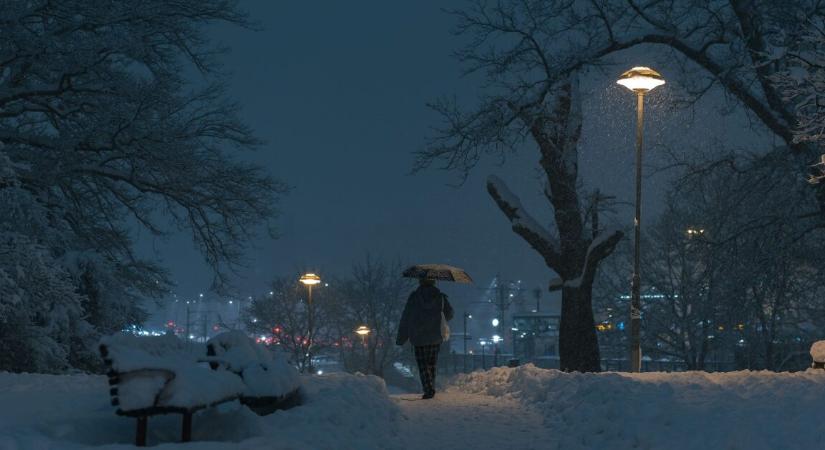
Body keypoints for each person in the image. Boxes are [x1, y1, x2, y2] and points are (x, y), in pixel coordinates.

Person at [396, 278, 454, 399]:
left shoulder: (414, 297)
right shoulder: (440, 297)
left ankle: (428, 389)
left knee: (422, 364)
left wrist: (401, 338)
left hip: (418, 336)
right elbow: (450, 314)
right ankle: (431, 386)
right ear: (433, 282)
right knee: (432, 363)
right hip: (435, 335)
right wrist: (438, 317)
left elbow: (406, 316)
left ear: (420, 282)